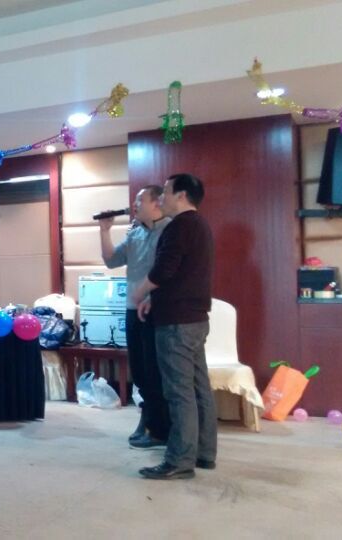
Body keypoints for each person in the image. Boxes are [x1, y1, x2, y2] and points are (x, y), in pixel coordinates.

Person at [131, 173, 216, 480]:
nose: (161, 198)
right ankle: (204, 452)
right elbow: (182, 275)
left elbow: (164, 270)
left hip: (177, 323)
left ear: (181, 195)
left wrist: (140, 292)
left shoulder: (179, 226)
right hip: (195, 319)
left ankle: (179, 460)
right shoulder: (201, 225)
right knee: (198, 388)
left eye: (165, 192)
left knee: (179, 392)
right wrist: (154, 299)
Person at [100, 186, 171, 449]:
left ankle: (160, 428)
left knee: (155, 370)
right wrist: (104, 230)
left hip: (157, 309)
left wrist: (152, 296)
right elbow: (111, 260)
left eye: (140, 200)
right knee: (139, 370)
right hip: (132, 308)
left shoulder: (170, 230)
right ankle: (148, 419)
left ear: (156, 203)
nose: (134, 205)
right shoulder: (135, 232)